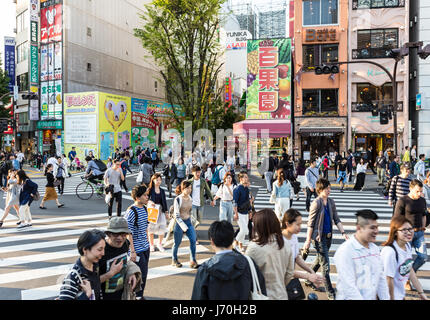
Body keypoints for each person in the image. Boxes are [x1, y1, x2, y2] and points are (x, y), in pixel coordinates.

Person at [191, 220, 266, 300]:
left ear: (212, 241)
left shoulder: (204, 270)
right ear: (232, 239)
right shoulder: (248, 263)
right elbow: (260, 289)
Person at [303, 178, 348, 300]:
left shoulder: (331, 202)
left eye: (329, 188)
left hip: (328, 237)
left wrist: (343, 233)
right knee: (326, 265)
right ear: (320, 190)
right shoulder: (316, 203)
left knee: (320, 259)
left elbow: (336, 219)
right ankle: (330, 292)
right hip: (318, 238)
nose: (329, 190)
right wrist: (307, 240)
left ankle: (308, 279)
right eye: (327, 188)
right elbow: (310, 224)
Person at [334, 209, 390, 300]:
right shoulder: (345, 251)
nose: (376, 231)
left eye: (377, 227)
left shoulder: (375, 249)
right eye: (372, 228)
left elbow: (381, 279)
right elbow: (349, 287)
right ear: (359, 228)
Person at [245, 209, 294, 300]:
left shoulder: (254, 247)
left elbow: (247, 275)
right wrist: (280, 284)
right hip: (281, 294)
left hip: (262, 296)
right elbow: (290, 272)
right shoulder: (285, 244)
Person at [381, 216, 428, 300]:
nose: (409, 232)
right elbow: (388, 279)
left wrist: (421, 293)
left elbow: (410, 270)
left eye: (410, 229)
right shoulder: (390, 252)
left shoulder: (407, 246)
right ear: (395, 232)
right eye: (404, 230)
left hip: (399, 295)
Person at [99, 217, 142, 300]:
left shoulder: (125, 244)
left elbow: (124, 262)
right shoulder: (100, 251)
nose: (120, 238)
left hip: (121, 295)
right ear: (108, 234)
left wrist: (131, 273)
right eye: (115, 234)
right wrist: (110, 273)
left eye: (123, 234)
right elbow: (91, 282)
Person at [393, 179, 428, 281]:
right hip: (406, 234)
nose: (419, 193)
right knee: (404, 259)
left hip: (419, 233)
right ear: (410, 189)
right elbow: (397, 218)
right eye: (417, 191)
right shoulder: (402, 201)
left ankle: (408, 276)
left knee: (423, 257)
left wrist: (423, 227)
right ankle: (400, 279)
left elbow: (424, 215)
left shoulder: (422, 200)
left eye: (421, 191)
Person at [281, 209, 324, 289]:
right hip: (277, 283)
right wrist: (308, 276)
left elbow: (297, 258)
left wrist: (311, 272)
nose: (300, 227)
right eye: (297, 224)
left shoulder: (293, 237)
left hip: (287, 281)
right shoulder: (280, 241)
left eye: (300, 224)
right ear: (287, 224)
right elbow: (286, 270)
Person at [58, 229, 106, 300]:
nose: (103, 253)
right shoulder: (73, 277)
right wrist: (86, 295)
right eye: (99, 249)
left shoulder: (94, 267)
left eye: (104, 249)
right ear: (85, 250)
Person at [125, 185, 150, 300]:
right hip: (137, 250)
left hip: (145, 247)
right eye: (145, 195)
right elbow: (128, 233)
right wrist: (132, 252)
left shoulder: (144, 209)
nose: (147, 197)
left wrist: (148, 242)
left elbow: (145, 227)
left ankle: (139, 295)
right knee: (138, 275)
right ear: (138, 198)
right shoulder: (131, 211)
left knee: (144, 275)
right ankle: (136, 296)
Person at [172, 180, 199, 269]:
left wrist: (193, 221)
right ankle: (174, 260)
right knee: (177, 243)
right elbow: (176, 215)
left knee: (193, 240)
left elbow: (190, 211)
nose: (189, 190)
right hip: (179, 224)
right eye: (187, 188)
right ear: (183, 189)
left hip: (188, 221)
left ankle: (193, 260)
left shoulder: (190, 198)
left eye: (190, 188)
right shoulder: (178, 199)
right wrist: (183, 227)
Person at [187, 165, 214, 242]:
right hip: (192, 204)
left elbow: (208, 190)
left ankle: (190, 230)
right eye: (196, 172)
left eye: (199, 172)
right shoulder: (189, 182)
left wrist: (212, 200)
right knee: (193, 220)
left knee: (199, 221)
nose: (198, 174)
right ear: (192, 173)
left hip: (201, 203)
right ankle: (194, 237)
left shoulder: (203, 181)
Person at [147, 173, 168, 252]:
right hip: (152, 211)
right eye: (157, 180)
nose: (158, 181)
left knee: (162, 227)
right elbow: (146, 199)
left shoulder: (162, 190)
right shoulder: (150, 189)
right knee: (151, 229)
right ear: (153, 180)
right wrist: (150, 202)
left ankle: (159, 243)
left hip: (160, 210)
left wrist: (166, 212)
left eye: (160, 180)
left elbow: (164, 201)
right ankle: (151, 244)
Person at [233, 171, 254, 253]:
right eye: (245, 177)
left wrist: (250, 211)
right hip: (239, 213)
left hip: (246, 213)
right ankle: (235, 243)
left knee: (245, 231)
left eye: (247, 177)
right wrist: (235, 213)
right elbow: (234, 203)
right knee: (244, 230)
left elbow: (249, 201)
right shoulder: (237, 189)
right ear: (241, 179)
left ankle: (239, 245)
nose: (247, 178)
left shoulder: (246, 189)